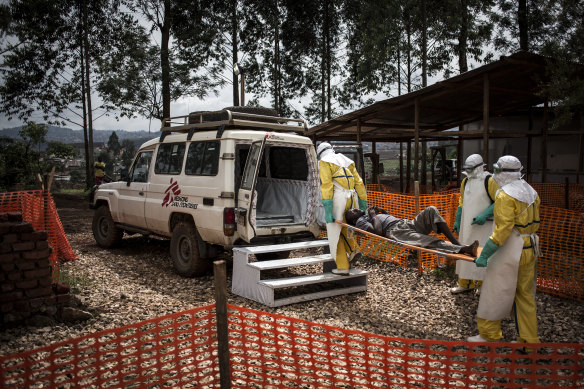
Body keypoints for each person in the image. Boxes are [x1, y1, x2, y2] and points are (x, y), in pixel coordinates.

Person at [467, 155, 540, 345]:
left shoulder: (505, 194)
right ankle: (529, 340)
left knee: (495, 291)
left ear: (504, 173)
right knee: (525, 295)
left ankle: (489, 334)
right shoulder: (531, 191)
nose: (495, 174)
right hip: (530, 247)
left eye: (497, 170)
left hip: (510, 249)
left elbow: (502, 231)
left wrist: (485, 255)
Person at [345, 205, 479, 257]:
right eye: (353, 212)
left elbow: (384, 220)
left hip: (405, 223)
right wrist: (373, 215)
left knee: (431, 210)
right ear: (353, 220)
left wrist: (383, 213)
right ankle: (463, 249)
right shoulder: (360, 222)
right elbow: (378, 232)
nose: (355, 209)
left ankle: (456, 242)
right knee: (428, 241)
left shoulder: (366, 216)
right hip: (396, 231)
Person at [451, 154, 499, 295]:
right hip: (467, 225)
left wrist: (485, 215)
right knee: (465, 251)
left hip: (484, 226)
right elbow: (461, 201)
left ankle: (483, 285)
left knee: (483, 253)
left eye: (471, 168)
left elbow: (499, 200)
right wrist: (458, 219)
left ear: (479, 167)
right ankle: (464, 283)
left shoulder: (489, 180)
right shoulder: (465, 181)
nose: (469, 171)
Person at [317, 142, 367, 275]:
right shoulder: (347, 160)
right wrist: (363, 205)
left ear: (320, 153)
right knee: (346, 227)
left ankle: (342, 266)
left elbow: (326, 185)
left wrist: (327, 210)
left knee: (334, 234)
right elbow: (360, 183)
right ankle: (353, 249)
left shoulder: (324, 162)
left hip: (338, 199)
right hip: (352, 198)